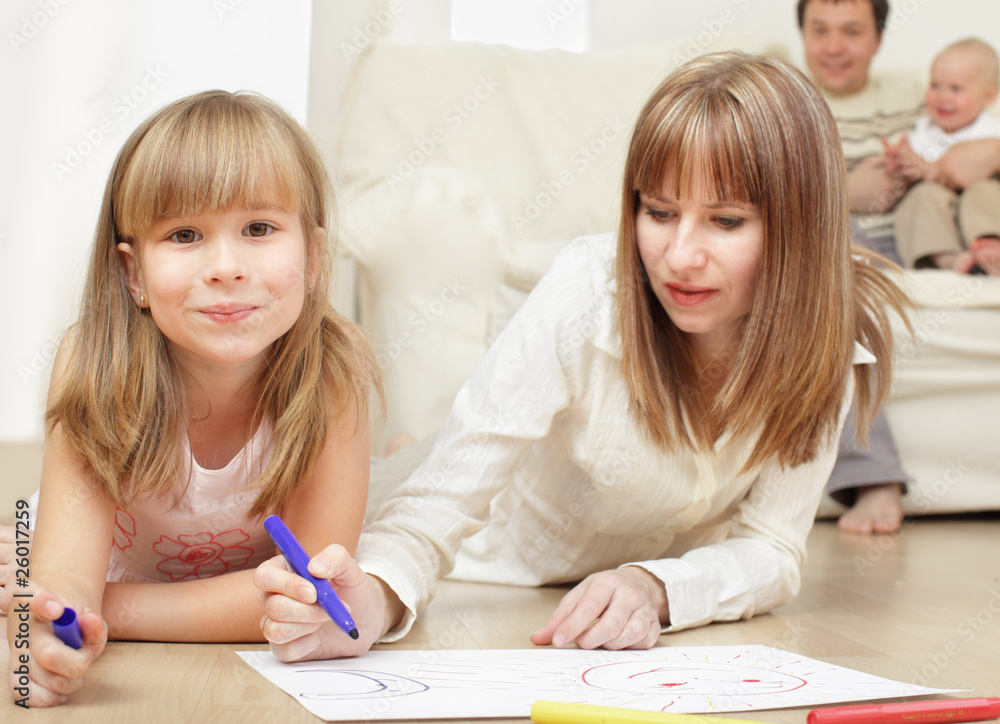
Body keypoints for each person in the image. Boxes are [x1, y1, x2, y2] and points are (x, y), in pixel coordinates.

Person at [253, 52, 910, 664]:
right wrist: (378, 594)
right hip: (482, 549)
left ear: (801, 228)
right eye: (659, 211)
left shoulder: (824, 342)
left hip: (597, 546)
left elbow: (773, 548)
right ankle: (412, 447)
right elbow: (434, 511)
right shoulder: (586, 292)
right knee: (409, 474)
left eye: (726, 221)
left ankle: (416, 441)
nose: (679, 256)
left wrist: (654, 586)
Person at [2, 90, 380, 707]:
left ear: (313, 257)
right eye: (184, 234)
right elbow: (67, 579)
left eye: (259, 228)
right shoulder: (93, 360)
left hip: (132, 597)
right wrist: (48, 630)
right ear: (133, 275)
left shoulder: (337, 369)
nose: (226, 267)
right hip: (105, 576)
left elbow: (307, 592)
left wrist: (112, 607)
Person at [892, 38, 1000, 275]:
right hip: (944, 221)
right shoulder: (925, 129)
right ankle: (948, 259)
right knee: (921, 197)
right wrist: (905, 160)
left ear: (989, 97)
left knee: (985, 191)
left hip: (979, 218)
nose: (942, 97)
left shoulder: (992, 131)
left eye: (956, 88)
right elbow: (916, 167)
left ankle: (991, 242)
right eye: (935, 86)